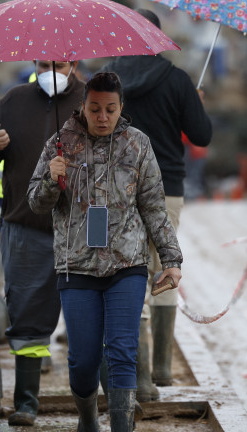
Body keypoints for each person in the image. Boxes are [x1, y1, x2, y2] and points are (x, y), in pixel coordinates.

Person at [28, 72, 183, 432]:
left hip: (126, 266)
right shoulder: (60, 145)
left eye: (110, 109)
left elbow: (154, 207)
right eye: (94, 108)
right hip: (76, 267)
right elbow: (35, 203)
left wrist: (171, 260)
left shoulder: (138, 145)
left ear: (121, 108)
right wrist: (51, 179)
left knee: (121, 352)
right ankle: (86, 418)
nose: (102, 116)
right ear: (83, 105)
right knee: (81, 361)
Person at [101, 8, 212, 402]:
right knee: (165, 269)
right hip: (167, 190)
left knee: (130, 275)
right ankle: (163, 366)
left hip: (119, 192)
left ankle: (142, 379)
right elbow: (201, 136)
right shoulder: (177, 80)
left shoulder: (105, 83)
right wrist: (192, 104)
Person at [0, 59, 83, 426]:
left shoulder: (92, 100)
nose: (50, 69)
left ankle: (96, 404)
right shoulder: (13, 102)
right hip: (25, 227)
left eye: (59, 63)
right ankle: (27, 402)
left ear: (74, 62)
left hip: (82, 230)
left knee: (90, 317)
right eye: (42, 63)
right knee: (26, 314)